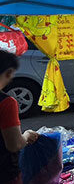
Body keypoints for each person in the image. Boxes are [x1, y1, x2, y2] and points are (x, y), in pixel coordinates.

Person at [0, 51, 39, 184]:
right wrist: (27, 136)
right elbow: (14, 144)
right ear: (9, 72)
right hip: (4, 173)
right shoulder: (7, 103)